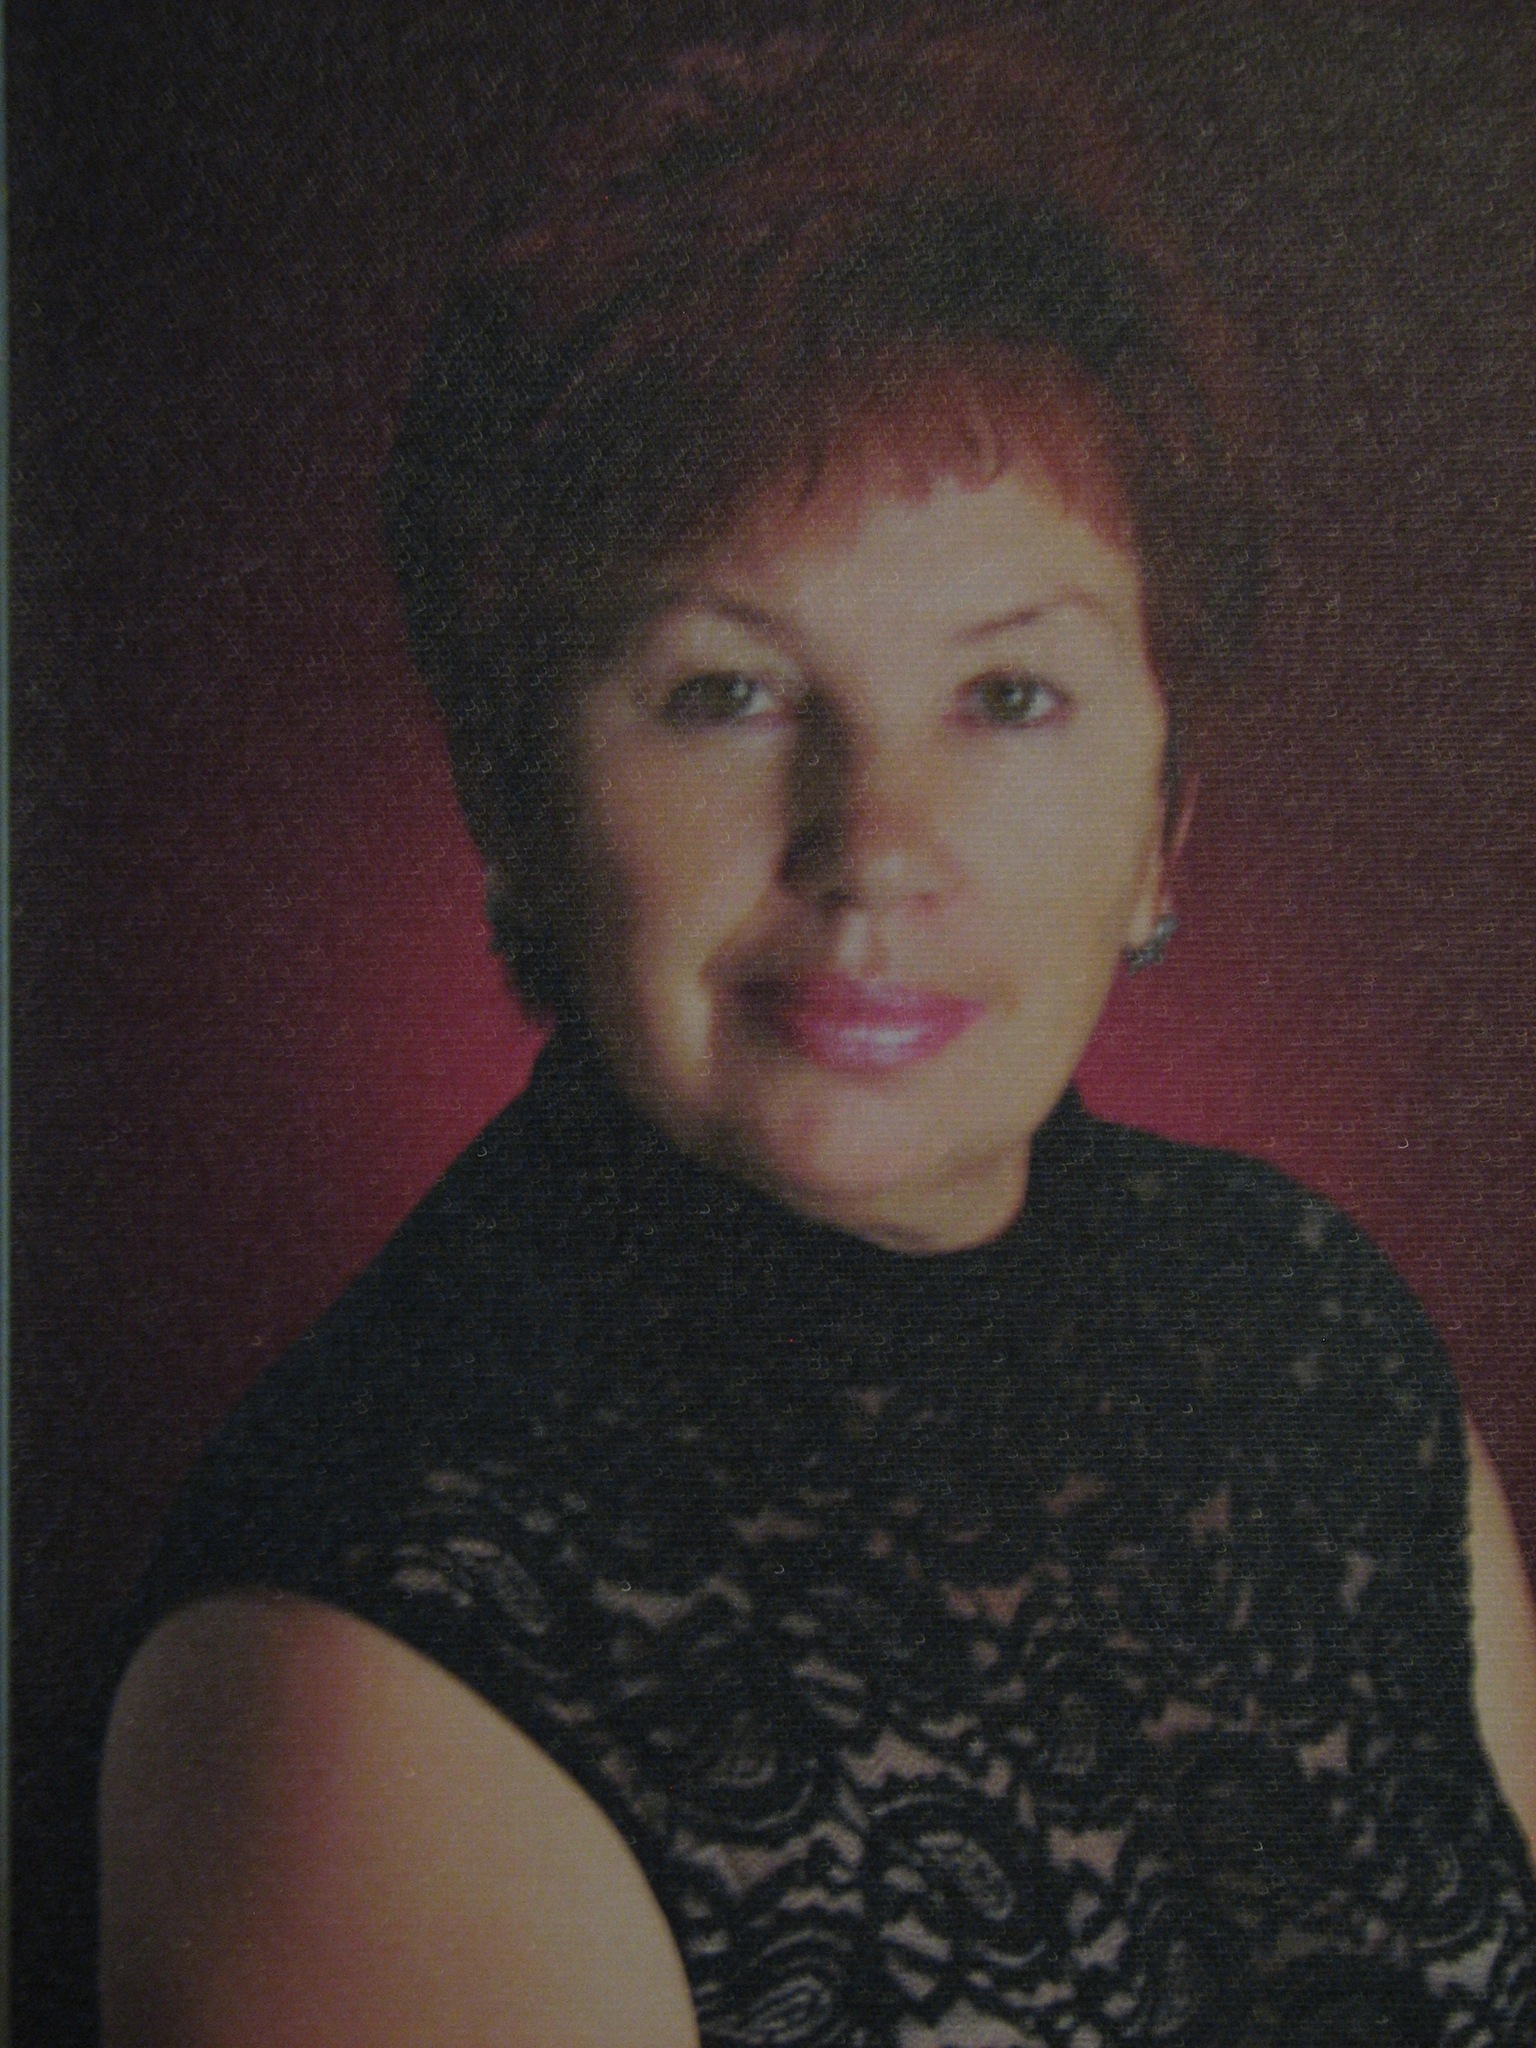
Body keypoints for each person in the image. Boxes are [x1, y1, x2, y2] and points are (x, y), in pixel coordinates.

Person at [98, 20, 1536, 2045]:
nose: (873, 848)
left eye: (1009, 696)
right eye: (728, 692)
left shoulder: (1326, 1348)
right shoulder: (356, 1661)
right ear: (518, 794)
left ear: (1166, 812)